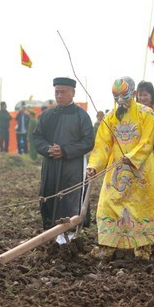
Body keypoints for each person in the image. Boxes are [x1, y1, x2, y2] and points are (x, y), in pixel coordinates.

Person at [86, 76, 154, 260]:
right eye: (115, 96)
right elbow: (102, 145)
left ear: (133, 94)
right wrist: (94, 166)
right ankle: (109, 246)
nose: (119, 100)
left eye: (124, 95)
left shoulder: (146, 113)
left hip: (140, 171)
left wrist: (132, 157)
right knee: (109, 205)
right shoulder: (109, 118)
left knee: (142, 207)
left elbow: (147, 141)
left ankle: (142, 248)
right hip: (115, 172)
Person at [32, 77, 95, 244]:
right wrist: (47, 149)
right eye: (57, 92)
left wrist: (65, 151)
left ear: (73, 93)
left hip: (72, 165)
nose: (59, 96)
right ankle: (51, 233)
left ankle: (71, 234)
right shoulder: (46, 116)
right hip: (51, 165)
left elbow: (88, 141)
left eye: (63, 92)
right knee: (50, 196)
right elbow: (37, 137)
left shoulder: (82, 116)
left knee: (70, 197)